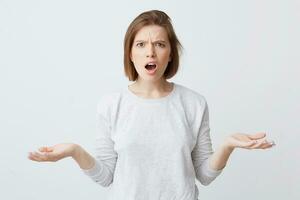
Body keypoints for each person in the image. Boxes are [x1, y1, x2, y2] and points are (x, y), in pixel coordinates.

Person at [28, 10, 275, 200]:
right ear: (130, 53)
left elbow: (204, 176)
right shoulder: (111, 105)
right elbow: (106, 178)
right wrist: (73, 151)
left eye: (159, 44)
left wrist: (228, 145)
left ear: (170, 54)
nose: (150, 53)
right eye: (141, 44)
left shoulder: (194, 103)